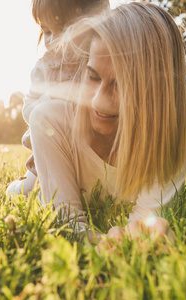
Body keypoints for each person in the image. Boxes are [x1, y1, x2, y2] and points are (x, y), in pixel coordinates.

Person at [27, 2, 186, 245]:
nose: (100, 102)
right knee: (21, 193)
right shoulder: (49, 121)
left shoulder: (174, 135)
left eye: (121, 85)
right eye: (93, 76)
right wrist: (100, 241)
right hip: (38, 184)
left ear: (159, 92)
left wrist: (127, 241)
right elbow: (66, 224)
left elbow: (142, 224)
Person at [6, 0, 110, 196]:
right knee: (31, 193)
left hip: (90, 152)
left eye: (65, 29)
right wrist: (48, 98)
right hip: (51, 152)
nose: (54, 41)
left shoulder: (99, 64)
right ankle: (24, 187)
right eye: (46, 31)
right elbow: (29, 109)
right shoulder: (44, 68)